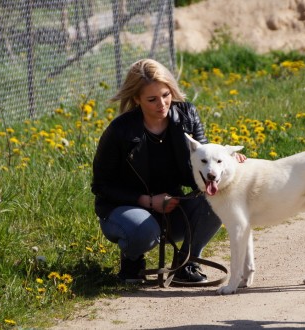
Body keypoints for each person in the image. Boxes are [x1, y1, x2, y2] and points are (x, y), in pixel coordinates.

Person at [92, 58, 245, 284]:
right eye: (152, 99)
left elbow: (205, 158)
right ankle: (132, 262)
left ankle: (186, 263)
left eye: (166, 95)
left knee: (220, 198)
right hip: (126, 209)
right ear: (136, 99)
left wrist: (229, 162)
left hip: (173, 207)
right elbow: (101, 186)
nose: (162, 104)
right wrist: (147, 201)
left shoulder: (187, 115)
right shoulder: (119, 130)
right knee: (141, 231)